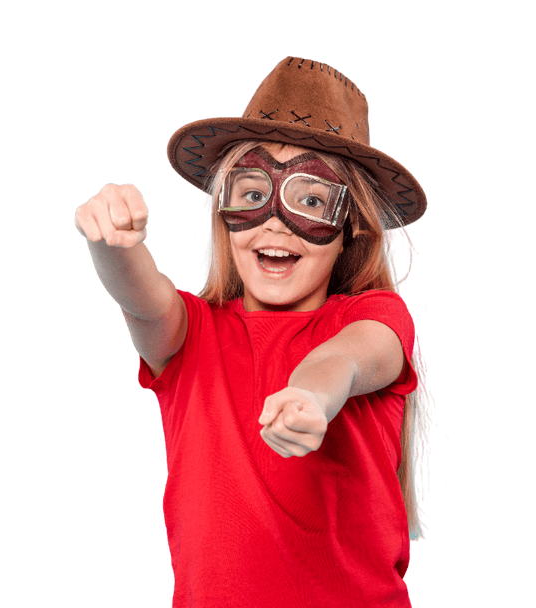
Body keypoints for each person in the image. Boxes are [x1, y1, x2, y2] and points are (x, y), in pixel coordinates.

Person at [74, 56, 435, 607]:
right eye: (251, 192)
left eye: (310, 199)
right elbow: (142, 302)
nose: (273, 219)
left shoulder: (373, 316)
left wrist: (313, 396)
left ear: (350, 227)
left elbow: (351, 359)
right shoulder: (191, 334)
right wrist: (113, 244)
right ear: (223, 210)